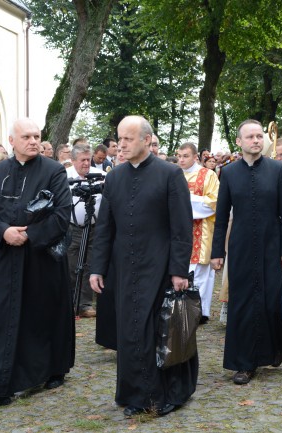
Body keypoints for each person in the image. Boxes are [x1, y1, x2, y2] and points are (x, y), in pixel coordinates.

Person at [89, 115, 195, 417]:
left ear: (147, 140)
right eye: (119, 138)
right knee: (128, 331)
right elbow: (105, 228)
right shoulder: (114, 177)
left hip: (159, 265)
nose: (121, 144)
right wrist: (98, 267)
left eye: (128, 139)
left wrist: (178, 270)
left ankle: (163, 394)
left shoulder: (170, 174)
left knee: (157, 331)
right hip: (124, 268)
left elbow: (181, 228)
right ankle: (133, 394)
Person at [0, 118, 75, 411]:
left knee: (43, 316)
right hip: (6, 255)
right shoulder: (0, 170)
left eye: (37, 136)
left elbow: (61, 214)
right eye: (26, 136)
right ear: (12, 140)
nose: (33, 141)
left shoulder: (53, 170)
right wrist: (4, 231)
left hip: (41, 257)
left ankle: (54, 368)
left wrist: (28, 236)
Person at [211, 120, 282, 385]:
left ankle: (270, 351)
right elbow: (222, 216)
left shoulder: (279, 169)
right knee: (243, 303)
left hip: (272, 245)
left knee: (270, 300)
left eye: (259, 136)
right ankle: (243, 363)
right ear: (239, 142)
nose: (256, 140)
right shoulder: (229, 173)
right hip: (241, 247)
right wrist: (217, 252)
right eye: (250, 137)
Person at [176, 142, 219, 323]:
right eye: (178, 156)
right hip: (177, 231)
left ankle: (200, 311)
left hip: (200, 230)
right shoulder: (173, 174)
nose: (181, 160)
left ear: (195, 157)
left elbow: (214, 202)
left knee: (200, 273)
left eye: (185, 156)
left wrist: (186, 201)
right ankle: (180, 308)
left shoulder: (208, 175)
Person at [66, 143, 105, 318]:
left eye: (88, 160)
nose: (86, 163)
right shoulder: (64, 177)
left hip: (95, 227)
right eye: (82, 160)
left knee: (90, 264)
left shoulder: (101, 176)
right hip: (73, 227)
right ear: (73, 160)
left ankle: (85, 304)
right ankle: (70, 302)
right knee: (72, 264)